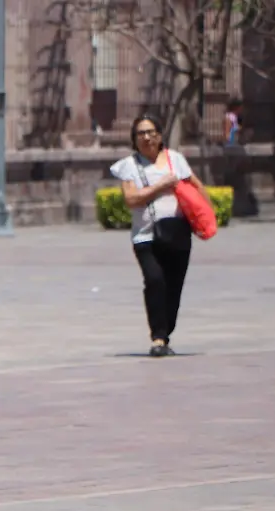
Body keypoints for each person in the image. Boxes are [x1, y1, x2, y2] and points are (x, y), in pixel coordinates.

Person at [110, 114, 212, 357]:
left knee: (173, 287)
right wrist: (160, 186)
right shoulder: (129, 166)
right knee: (154, 280)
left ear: (160, 135)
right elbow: (131, 199)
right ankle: (157, 337)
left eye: (151, 132)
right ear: (134, 139)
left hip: (177, 234)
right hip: (145, 237)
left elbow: (197, 188)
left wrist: (207, 216)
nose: (146, 137)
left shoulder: (176, 160)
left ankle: (165, 334)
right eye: (141, 133)